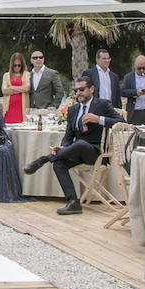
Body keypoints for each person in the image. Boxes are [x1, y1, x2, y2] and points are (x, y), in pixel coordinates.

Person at [22, 77, 124, 215]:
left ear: (91, 89)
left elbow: (121, 122)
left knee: (81, 143)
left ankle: (44, 159)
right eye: (76, 90)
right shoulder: (73, 109)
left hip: (96, 153)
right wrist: (64, 147)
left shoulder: (102, 105)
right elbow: (68, 136)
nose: (78, 93)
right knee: (59, 163)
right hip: (76, 151)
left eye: (82, 89)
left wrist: (99, 119)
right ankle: (73, 202)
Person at [119, 56, 145, 125]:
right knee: (134, 133)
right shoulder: (129, 77)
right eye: (139, 68)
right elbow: (122, 92)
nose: (142, 70)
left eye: (144, 68)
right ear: (135, 66)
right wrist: (135, 92)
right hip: (134, 111)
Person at [0, 52, 29, 125]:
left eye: (19, 65)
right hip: (8, 108)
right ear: (11, 65)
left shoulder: (26, 74)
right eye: (15, 65)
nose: (17, 67)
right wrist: (20, 89)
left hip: (21, 108)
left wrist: (12, 87)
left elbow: (27, 88)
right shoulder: (6, 75)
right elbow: (4, 91)